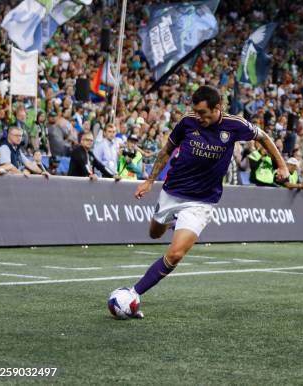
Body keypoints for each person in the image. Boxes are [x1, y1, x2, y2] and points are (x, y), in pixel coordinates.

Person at [123, 85, 289, 317]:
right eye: (196, 112)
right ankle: (175, 221)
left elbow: (263, 137)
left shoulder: (235, 125)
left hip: (201, 202)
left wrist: (281, 165)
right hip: (172, 192)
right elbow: (166, 151)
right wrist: (150, 181)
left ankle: (132, 293)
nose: (198, 117)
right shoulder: (187, 122)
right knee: (154, 233)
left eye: (203, 112)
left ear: (217, 108)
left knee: (176, 254)